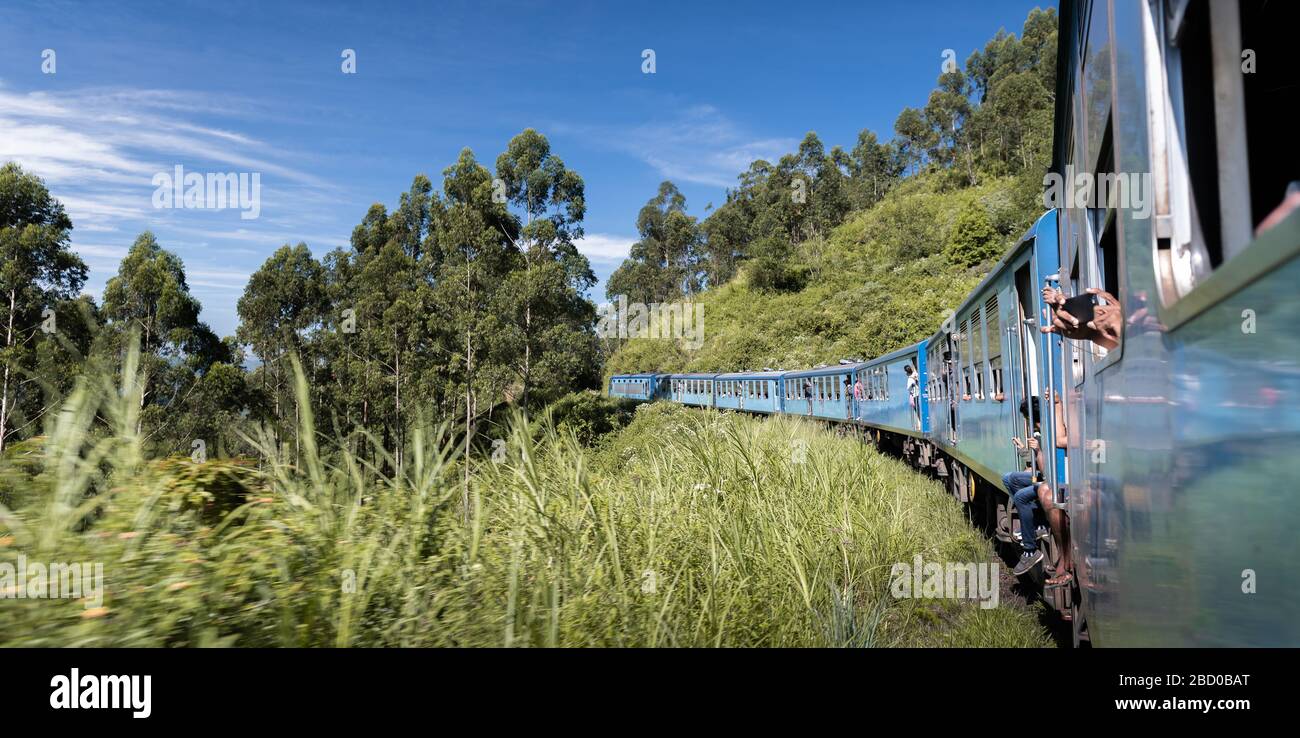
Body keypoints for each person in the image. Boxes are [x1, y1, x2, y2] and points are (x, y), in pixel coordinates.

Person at [1004, 394, 1071, 581]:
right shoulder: (1044, 431)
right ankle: (1037, 523)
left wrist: (1037, 450)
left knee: (1020, 497)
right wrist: (1026, 450)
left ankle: (1030, 548)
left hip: (1052, 479)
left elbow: (1046, 470)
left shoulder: (1049, 431)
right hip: (1046, 477)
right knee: (1010, 479)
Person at [904, 364, 921, 430]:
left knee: (917, 410)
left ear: (907, 372)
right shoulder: (916, 374)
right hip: (919, 393)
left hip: (915, 395)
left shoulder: (910, 379)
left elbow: (908, 388)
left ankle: (919, 425)